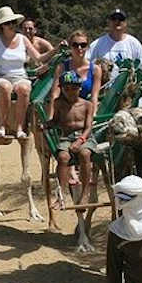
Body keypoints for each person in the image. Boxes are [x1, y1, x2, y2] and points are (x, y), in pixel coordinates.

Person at [0, 6, 60, 139]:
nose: (11, 25)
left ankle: (20, 127)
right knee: (5, 87)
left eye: (13, 22)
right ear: (2, 26)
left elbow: (38, 58)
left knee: (25, 88)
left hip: (20, 76)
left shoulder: (23, 39)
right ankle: (2, 125)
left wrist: (55, 49)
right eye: (7, 23)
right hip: (2, 76)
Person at [48, 72, 96, 209]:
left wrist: (80, 140)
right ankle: (61, 195)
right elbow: (56, 121)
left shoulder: (87, 105)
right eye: (66, 88)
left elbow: (88, 128)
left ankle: (85, 193)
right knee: (63, 157)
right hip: (67, 137)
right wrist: (47, 124)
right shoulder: (58, 104)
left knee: (85, 154)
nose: (70, 92)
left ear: (79, 88)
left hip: (84, 137)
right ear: (62, 89)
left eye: (73, 88)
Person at [88, 9, 142, 80]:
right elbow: (85, 64)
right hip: (104, 88)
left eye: (121, 19)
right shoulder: (98, 44)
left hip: (128, 88)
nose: (117, 22)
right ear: (109, 22)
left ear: (125, 23)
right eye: (114, 19)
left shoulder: (133, 43)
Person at [51, 30, 102, 115]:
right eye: (75, 45)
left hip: (84, 111)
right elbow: (55, 95)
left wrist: (93, 116)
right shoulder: (61, 68)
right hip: (64, 112)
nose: (79, 48)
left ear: (88, 47)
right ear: (70, 47)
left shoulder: (95, 70)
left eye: (83, 45)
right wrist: (51, 117)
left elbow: (94, 97)